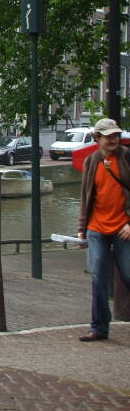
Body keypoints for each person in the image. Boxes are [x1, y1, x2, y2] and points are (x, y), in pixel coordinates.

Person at [77, 117, 130, 341]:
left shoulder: (127, 158)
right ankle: (99, 327)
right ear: (97, 138)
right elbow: (86, 196)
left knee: (128, 275)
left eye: (116, 135)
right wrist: (82, 228)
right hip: (96, 228)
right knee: (98, 277)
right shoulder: (91, 161)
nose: (114, 140)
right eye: (109, 136)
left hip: (122, 228)